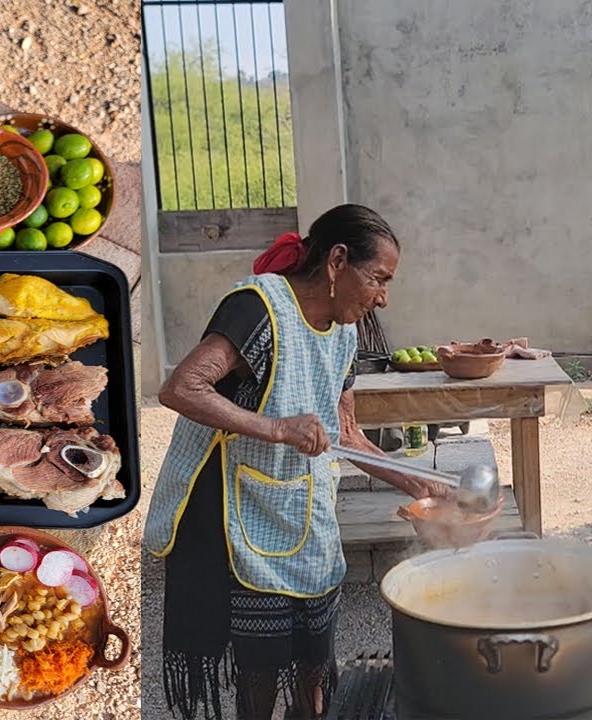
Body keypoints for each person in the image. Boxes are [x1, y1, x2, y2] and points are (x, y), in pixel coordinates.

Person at [142, 204, 448, 719]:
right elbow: (180, 388)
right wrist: (277, 429)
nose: (384, 297)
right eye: (378, 279)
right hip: (234, 509)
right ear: (337, 261)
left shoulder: (346, 334)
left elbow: (346, 434)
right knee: (258, 672)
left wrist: (417, 482)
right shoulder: (259, 307)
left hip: (303, 509)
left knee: (315, 660)